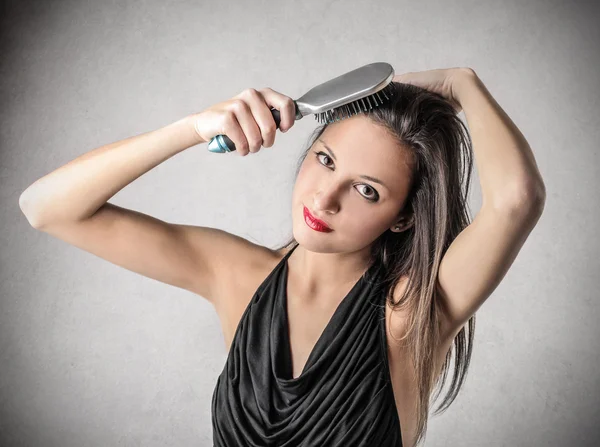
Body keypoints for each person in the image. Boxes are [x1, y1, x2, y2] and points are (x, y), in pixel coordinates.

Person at [18, 67, 546, 447]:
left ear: (403, 217)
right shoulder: (236, 273)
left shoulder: (409, 313)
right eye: (325, 160)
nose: (322, 199)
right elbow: (45, 208)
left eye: (366, 190)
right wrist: (194, 127)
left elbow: (516, 199)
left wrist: (463, 85)